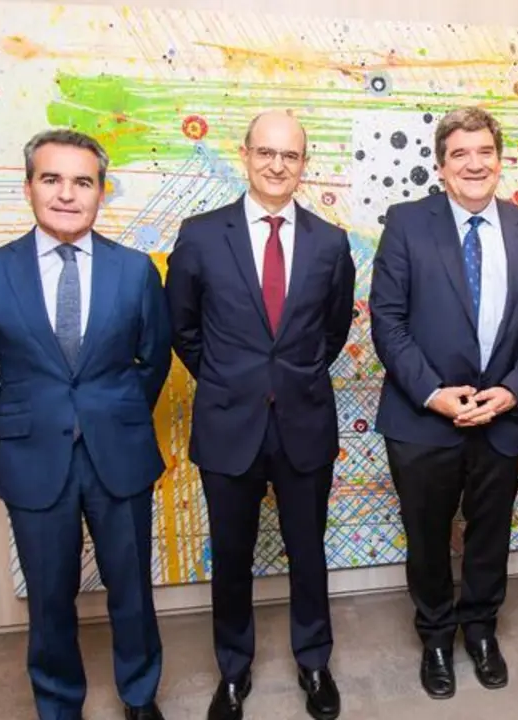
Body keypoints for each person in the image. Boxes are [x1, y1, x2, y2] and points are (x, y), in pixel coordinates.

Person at [0, 129, 172, 720]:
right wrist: (19, 423)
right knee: (49, 597)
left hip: (119, 454)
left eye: (82, 182)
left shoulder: (135, 271)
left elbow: (154, 360)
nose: (67, 194)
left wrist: (113, 415)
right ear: (29, 188)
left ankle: (140, 695)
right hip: (33, 458)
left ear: (101, 192)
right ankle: (57, 704)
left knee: (132, 589)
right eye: (52, 179)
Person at [164, 110, 354, 720]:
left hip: (304, 421)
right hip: (228, 423)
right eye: (266, 153)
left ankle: (314, 661)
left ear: (304, 164)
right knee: (231, 555)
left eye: (290, 155)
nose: (277, 165)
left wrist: (288, 378)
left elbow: (332, 331)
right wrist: (231, 380)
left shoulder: (330, 242)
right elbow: (183, 328)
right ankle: (233, 670)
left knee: (308, 553)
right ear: (245, 155)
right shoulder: (200, 235)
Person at [368, 106, 518, 699]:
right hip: (423, 419)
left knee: (490, 534)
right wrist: (434, 394)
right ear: (441, 166)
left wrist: (514, 389)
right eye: (460, 154)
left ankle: (480, 629)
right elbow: (388, 320)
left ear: (499, 160)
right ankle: (435, 637)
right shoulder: (406, 223)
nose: (474, 164)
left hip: (502, 415)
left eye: (484, 152)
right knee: (427, 538)